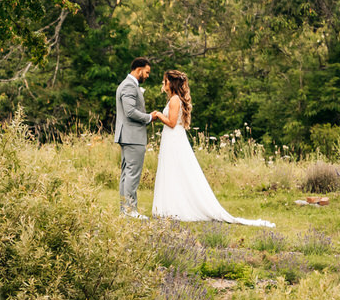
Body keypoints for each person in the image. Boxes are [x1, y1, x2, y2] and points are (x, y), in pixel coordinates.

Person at [149, 70, 276, 227]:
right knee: (173, 171)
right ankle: (171, 205)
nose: (164, 83)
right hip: (173, 139)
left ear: (172, 83)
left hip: (174, 140)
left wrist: (158, 115)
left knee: (174, 170)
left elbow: (172, 123)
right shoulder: (174, 99)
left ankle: (174, 207)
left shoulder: (175, 100)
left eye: (166, 80)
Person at [113, 57, 153, 216]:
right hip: (132, 136)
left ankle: (125, 210)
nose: (147, 76)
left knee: (126, 174)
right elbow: (130, 111)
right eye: (147, 72)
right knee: (132, 174)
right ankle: (131, 210)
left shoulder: (127, 84)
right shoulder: (129, 85)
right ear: (138, 70)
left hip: (128, 136)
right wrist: (149, 117)